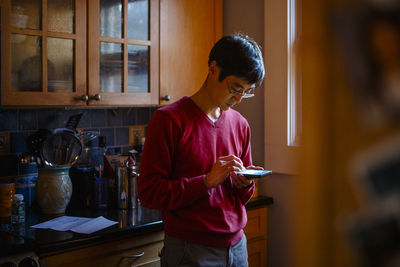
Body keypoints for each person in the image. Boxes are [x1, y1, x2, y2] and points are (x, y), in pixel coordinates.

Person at [138, 33, 265, 267]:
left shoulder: (240, 124)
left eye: (246, 91)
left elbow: (240, 198)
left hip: (238, 248)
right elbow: (149, 193)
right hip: (190, 250)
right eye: (235, 88)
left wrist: (245, 183)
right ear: (213, 69)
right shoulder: (168, 121)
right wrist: (205, 182)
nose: (238, 99)